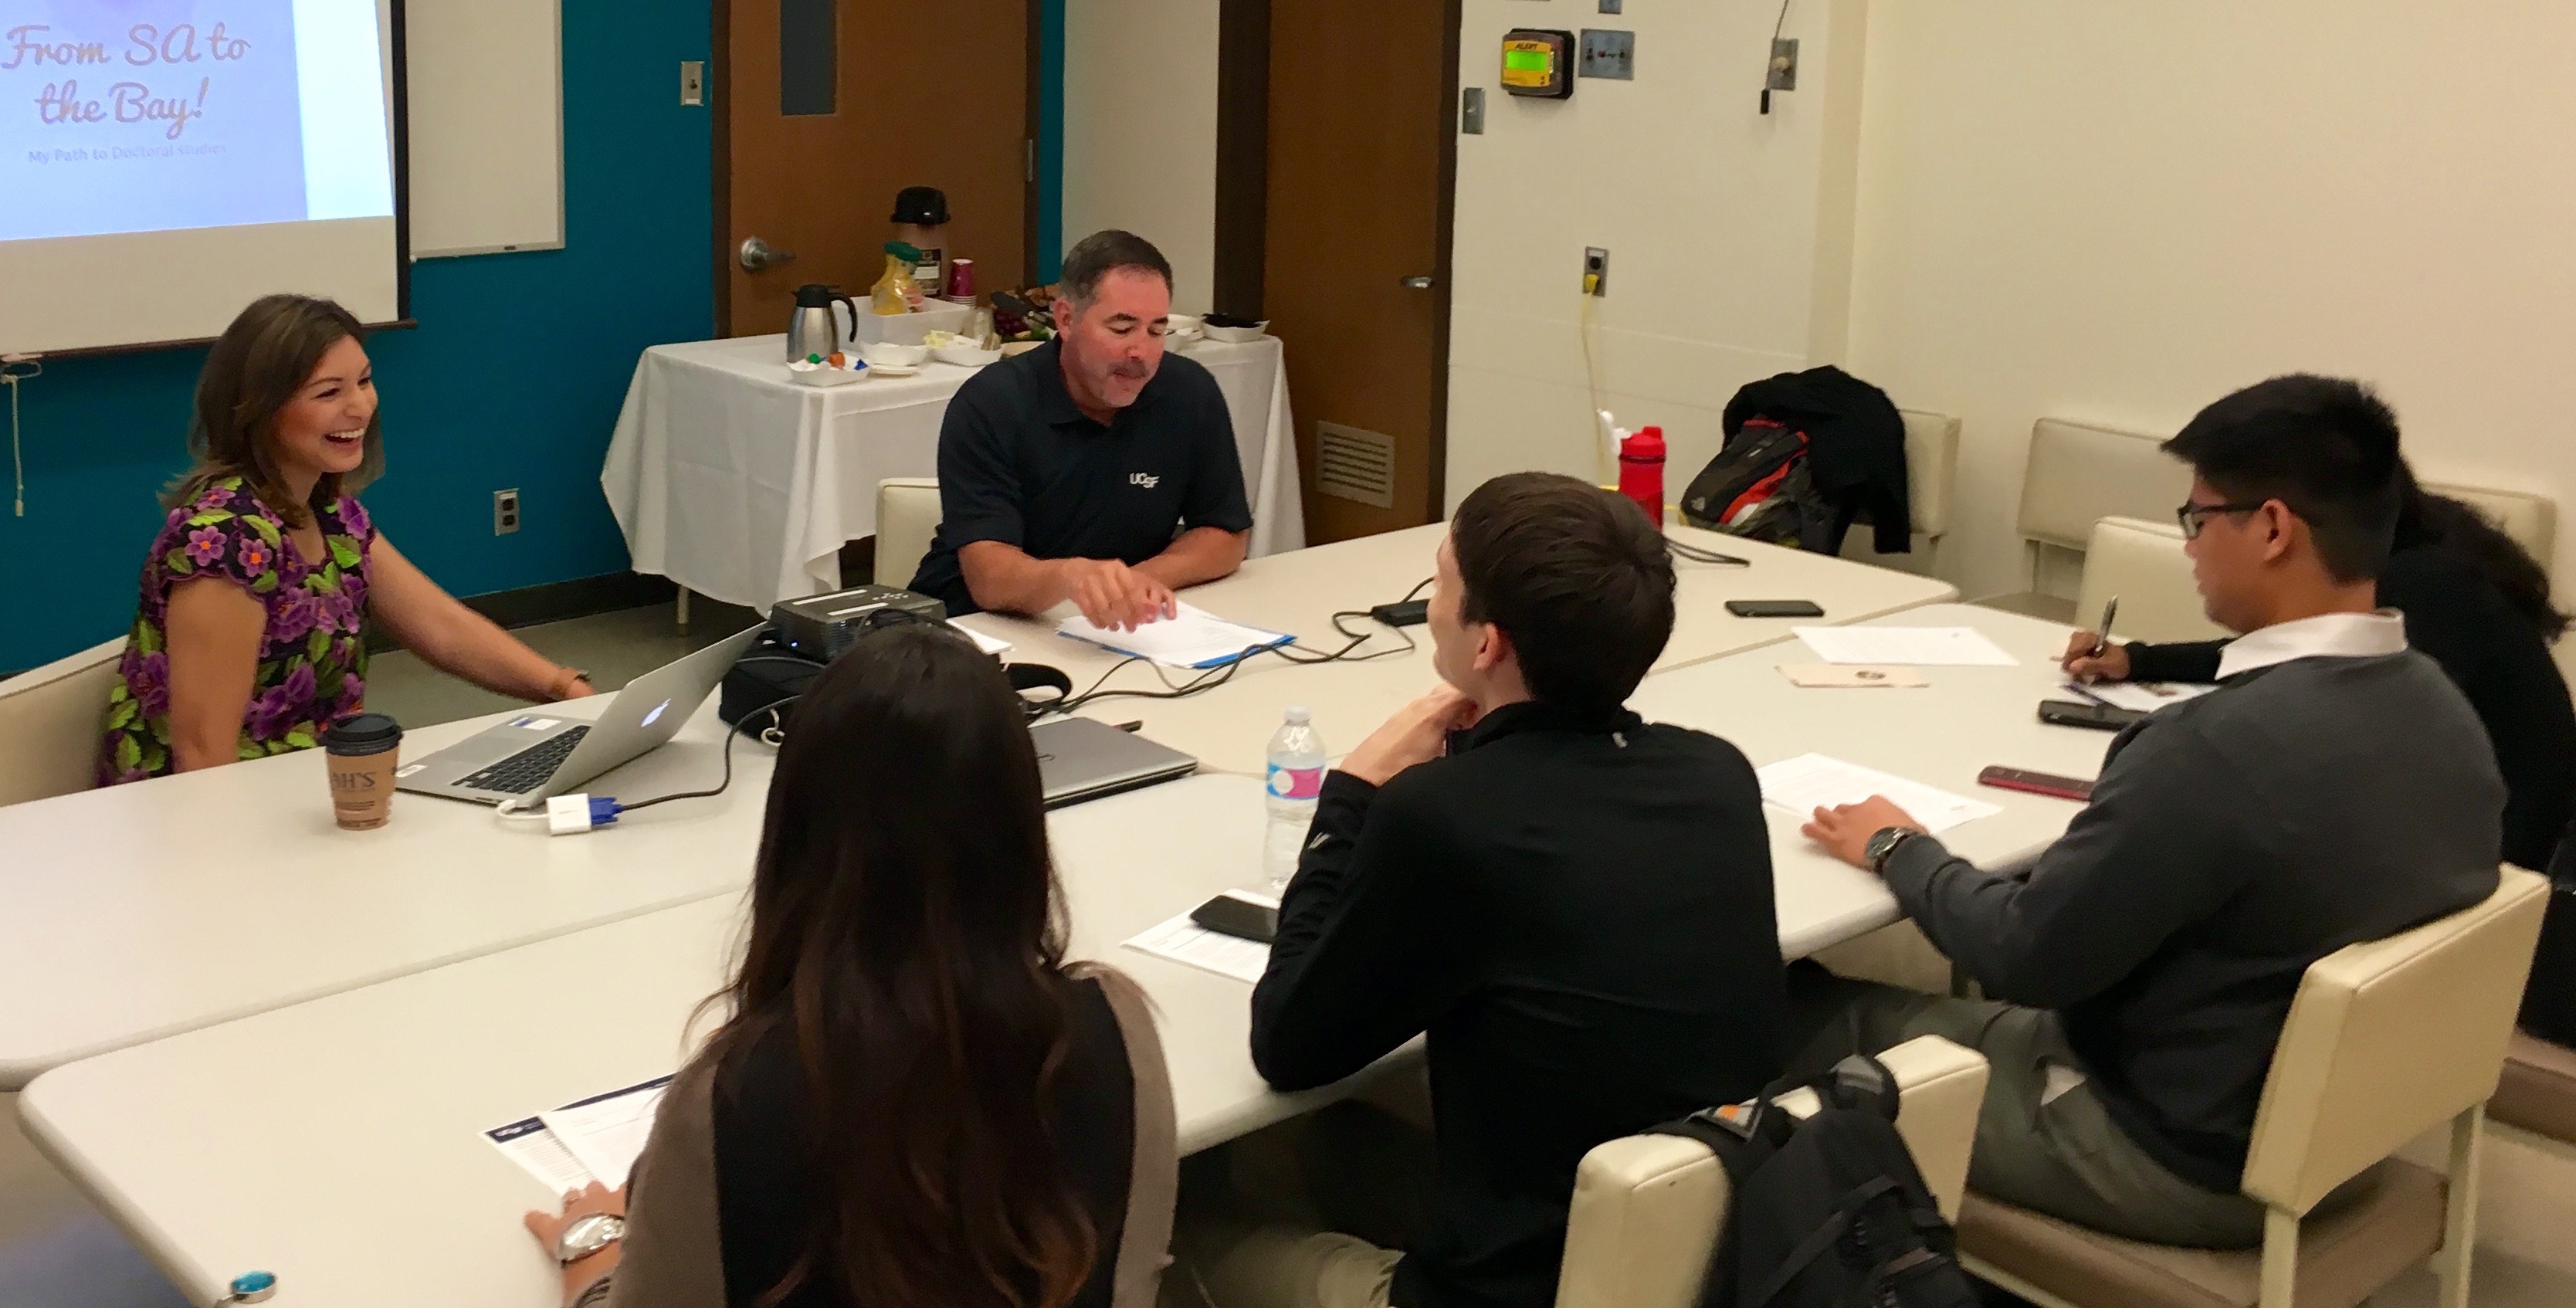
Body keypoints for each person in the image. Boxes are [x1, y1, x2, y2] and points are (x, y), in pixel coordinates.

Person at [1797, 374, 2503, 1248]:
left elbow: (2024, 953)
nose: (2191, 546)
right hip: (2346, 1127)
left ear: (2274, 528)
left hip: (2177, 1151)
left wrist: (1898, 843)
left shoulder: (2215, 746)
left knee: (1795, 1015)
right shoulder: (2441, 703)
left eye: (2199, 520)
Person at [1172, 473, 1788, 1308]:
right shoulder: (1715, 772)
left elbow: (1288, 1044)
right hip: (1705, 1260)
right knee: (1343, 1138)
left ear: (1488, 644)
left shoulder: (1442, 816)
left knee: (1182, 1228)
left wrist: (1350, 793)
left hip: (1510, 1286)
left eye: (1442, 581)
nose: (1430, 603)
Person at [521, 621, 1176, 1308]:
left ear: (796, 837)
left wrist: (593, 1251)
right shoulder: (1116, 1029)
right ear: (1021, 830)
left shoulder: (732, 1101)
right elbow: (1132, 1283)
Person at [97, 294, 593, 783]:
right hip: (220, 814)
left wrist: (564, 688)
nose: (361, 407)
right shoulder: (223, 544)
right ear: (259, 410)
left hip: (319, 785)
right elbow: (202, 758)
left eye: (364, 381)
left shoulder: (328, 510)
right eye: (329, 393)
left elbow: (440, 629)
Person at [2065, 458, 2575, 871]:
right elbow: (2290, 652)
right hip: (2490, 850)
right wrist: (2138, 659)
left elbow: (2335, 718)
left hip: (2504, 869)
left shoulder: (2421, 588)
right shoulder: (2421, 556)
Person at [907, 229, 1252, 630]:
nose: (1141, 352)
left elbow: (1226, 534)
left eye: (1157, 330)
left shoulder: (1189, 393)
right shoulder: (993, 403)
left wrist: (1140, 580)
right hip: (977, 628)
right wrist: (1073, 579)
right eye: (1122, 329)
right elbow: (990, 577)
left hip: (1116, 628)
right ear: (1066, 320)